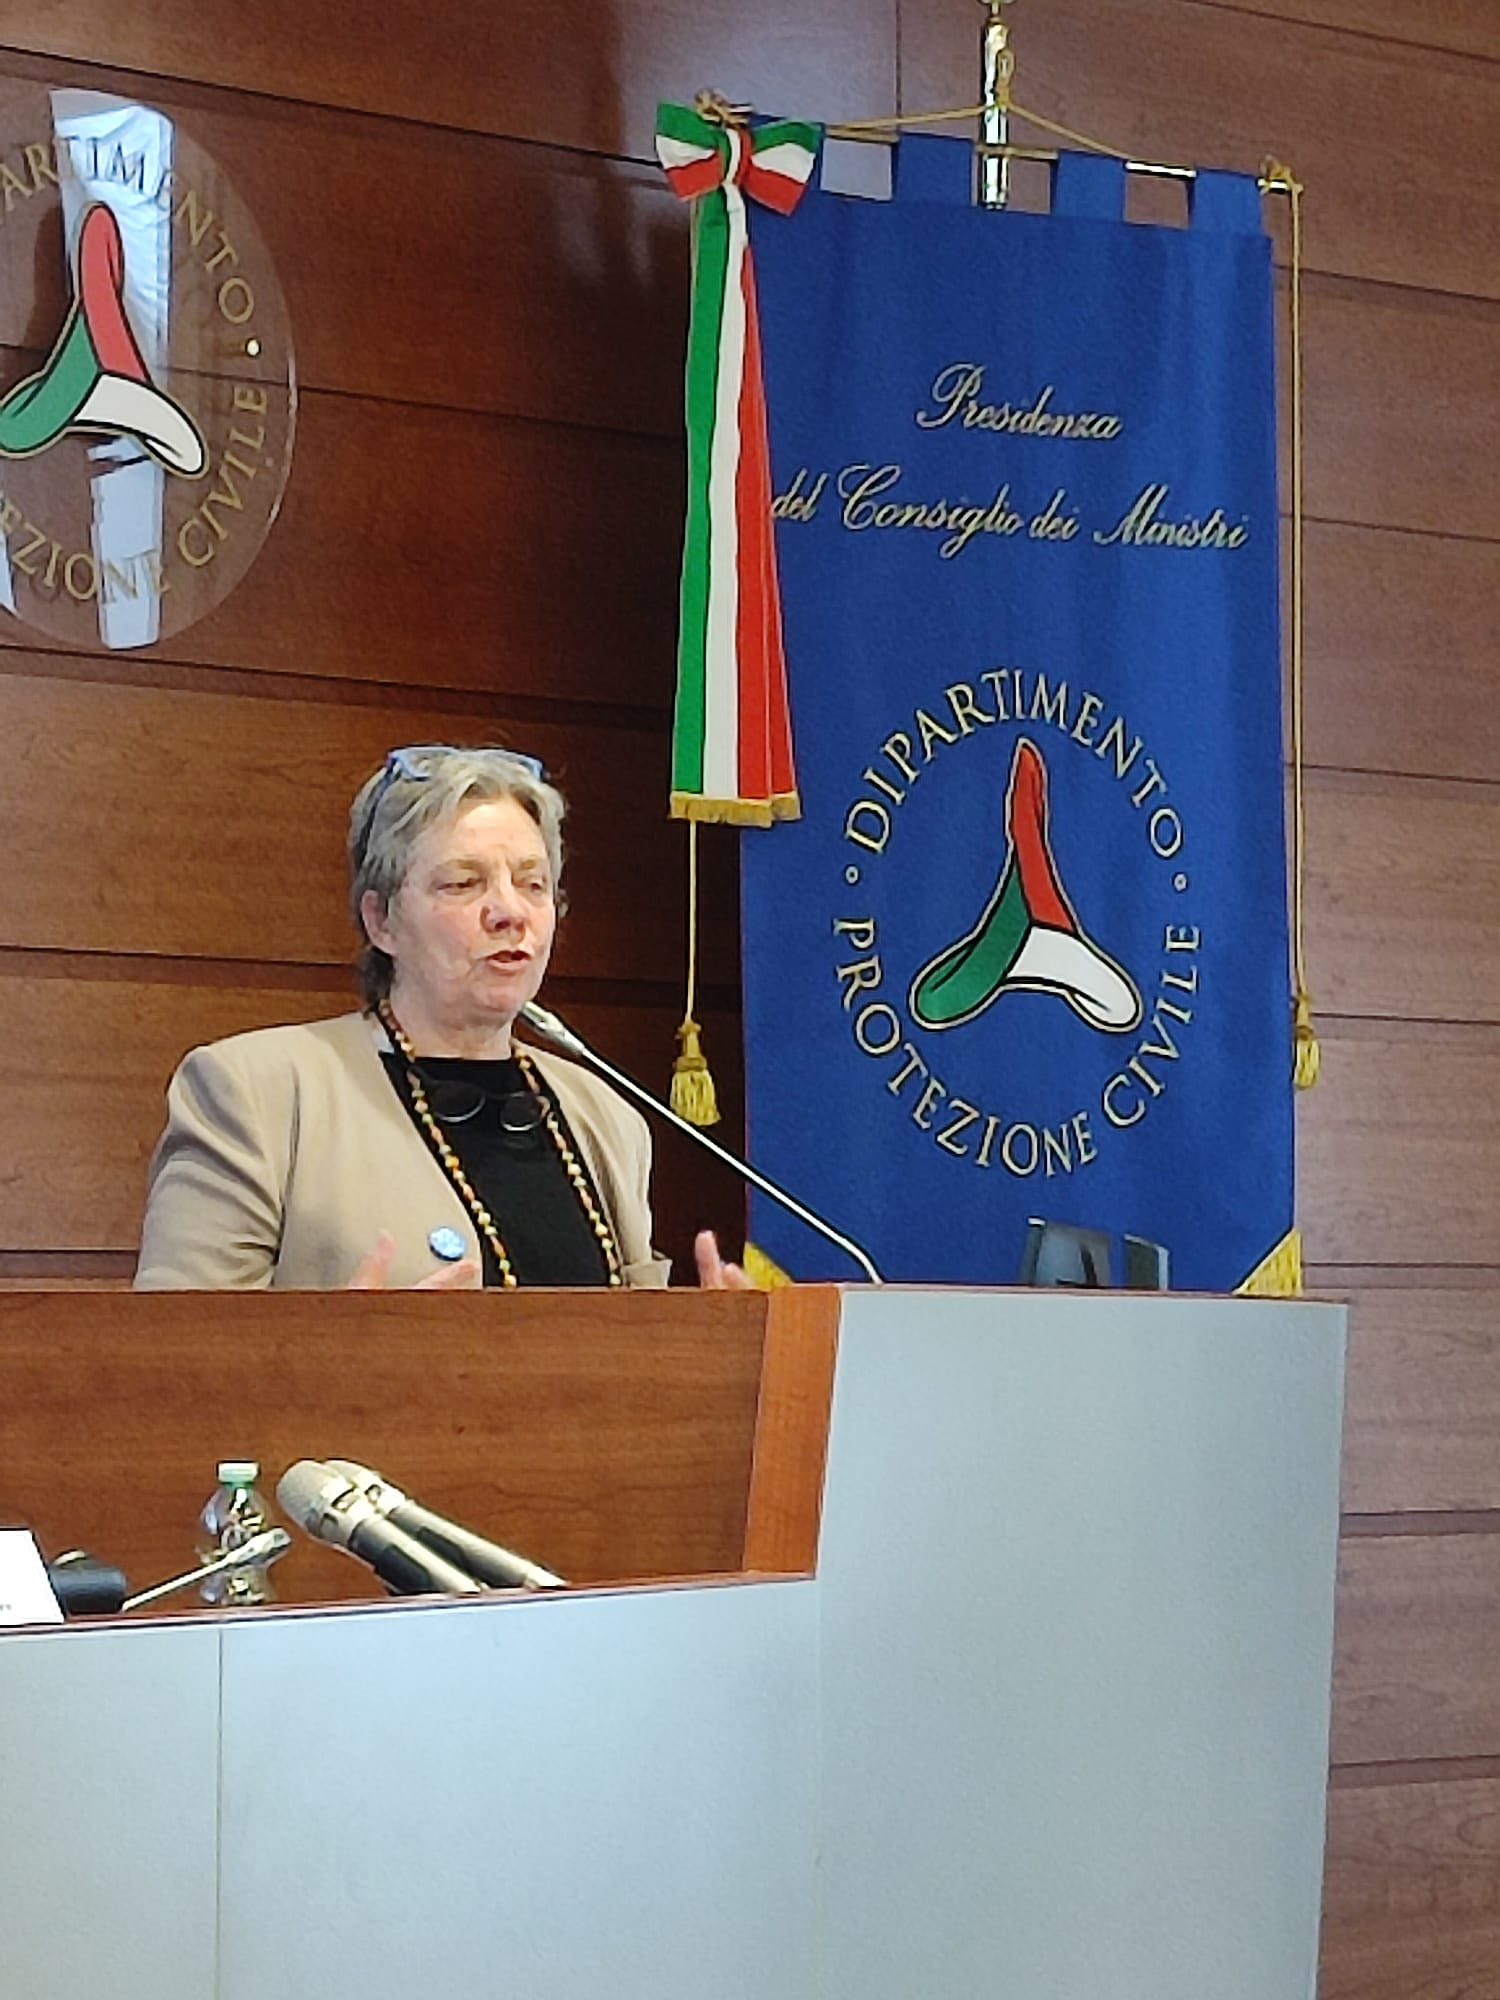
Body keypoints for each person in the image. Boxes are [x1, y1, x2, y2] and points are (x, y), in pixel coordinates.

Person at [135, 744, 748, 1291]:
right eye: (462, 883)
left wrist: (717, 1349)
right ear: (382, 921)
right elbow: (172, 1358)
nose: (510, 912)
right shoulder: (256, 1093)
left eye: (533, 884)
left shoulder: (606, 1118)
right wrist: (337, 1352)